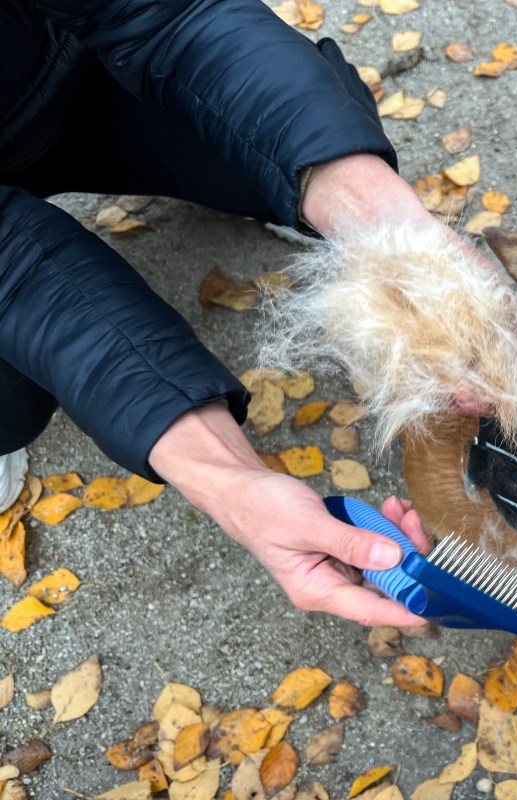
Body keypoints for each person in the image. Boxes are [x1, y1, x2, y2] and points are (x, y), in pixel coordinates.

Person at [0, 0, 483, 628]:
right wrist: (222, 476)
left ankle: (295, 199)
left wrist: (380, 222)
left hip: (65, 62)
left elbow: (175, 15)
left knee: (302, 130)